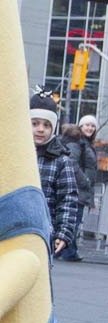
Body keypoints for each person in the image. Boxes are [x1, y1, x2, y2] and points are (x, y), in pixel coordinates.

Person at [30, 93, 78, 256]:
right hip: (12, 231)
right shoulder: (14, 154)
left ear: (53, 128)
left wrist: (63, 232)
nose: (40, 129)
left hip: (44, 232)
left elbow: (67, 199)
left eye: (47, 125)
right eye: (35, 123)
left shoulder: (61, 161)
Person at [58, 122, 97, 261]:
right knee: (73, 220)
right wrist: (84, 180)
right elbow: (71, 162)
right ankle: (67, 251)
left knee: (72, 220)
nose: (90, 128)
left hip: (79, 188)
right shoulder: (77, 142)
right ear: (80, 126)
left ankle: (68, 250)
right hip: (76, 188)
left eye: (93, 126)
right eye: (87, 125)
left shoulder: (84, 142)